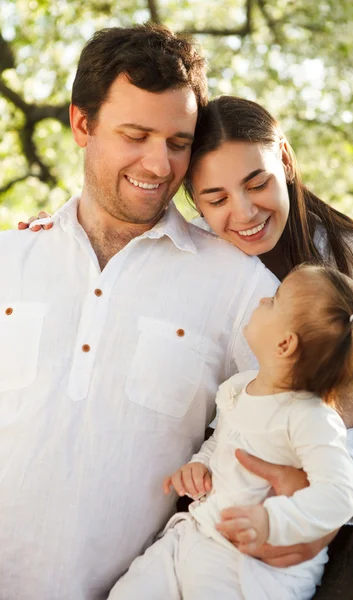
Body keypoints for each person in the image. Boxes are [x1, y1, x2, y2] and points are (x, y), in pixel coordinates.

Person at [0, 25, 286, 600]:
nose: (159, 165)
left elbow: (300, 415)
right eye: (135, 135)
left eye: (178, 142)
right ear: (83, 125)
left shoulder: (238, 285)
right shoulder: (10, 256)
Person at [108, 264, 353, 600]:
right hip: (198, 530)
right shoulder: (242, 386)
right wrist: (200, 464)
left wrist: (272, 520)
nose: (261, 300)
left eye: (273, 301)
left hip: (250, 566)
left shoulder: (310, 418)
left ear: (285, 344)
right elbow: (223, 442)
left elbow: (340, 494)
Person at [181, 95, 353, 442]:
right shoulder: (186, 263)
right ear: (196, 200)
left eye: (257, 185)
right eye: (218, 199)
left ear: (284, 160)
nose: (244, 214)